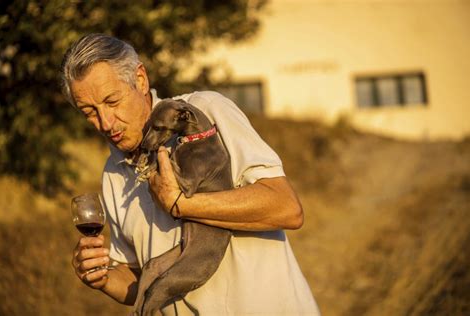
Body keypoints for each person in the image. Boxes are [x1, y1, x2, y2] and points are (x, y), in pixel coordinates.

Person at [62, 33, 320, 315]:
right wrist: (103, 277)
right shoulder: (113, 174)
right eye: (89, 111)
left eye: (112, 101)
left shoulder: (203, 113)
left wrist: (180, 204)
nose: (105, 122)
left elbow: (285, 208)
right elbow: (141, 279)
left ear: (140, 79)